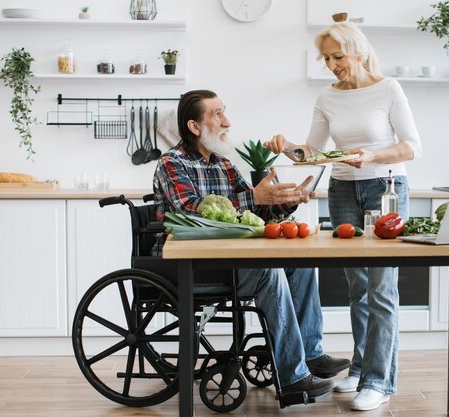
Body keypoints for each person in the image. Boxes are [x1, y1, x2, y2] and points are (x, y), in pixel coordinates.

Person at [152, 89, 350, 400]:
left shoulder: (223, 165)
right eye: (217, 114)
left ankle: (310, 355)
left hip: (227, 262)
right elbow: (188, 210)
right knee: (268, 273)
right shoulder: (171, 163)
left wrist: (287, 200)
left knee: (300, 264)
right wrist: (254, 196)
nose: (226, 121)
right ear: (194, 126)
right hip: (191, 266)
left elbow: (255, 210)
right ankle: (294, 379)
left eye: (224, 112)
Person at [265, 22, 422, 411]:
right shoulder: (327, 97)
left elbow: (411, 147)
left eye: (337, 56)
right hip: (342, 190)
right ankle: (362, 366)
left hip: (383, 189)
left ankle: (380, 381)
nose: (331, 64)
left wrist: (370, 156)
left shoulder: (388, 89)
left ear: (358, 52)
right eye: (326, 58)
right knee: (357, 286)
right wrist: (286, 148)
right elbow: (313, 153)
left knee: (381, 288)